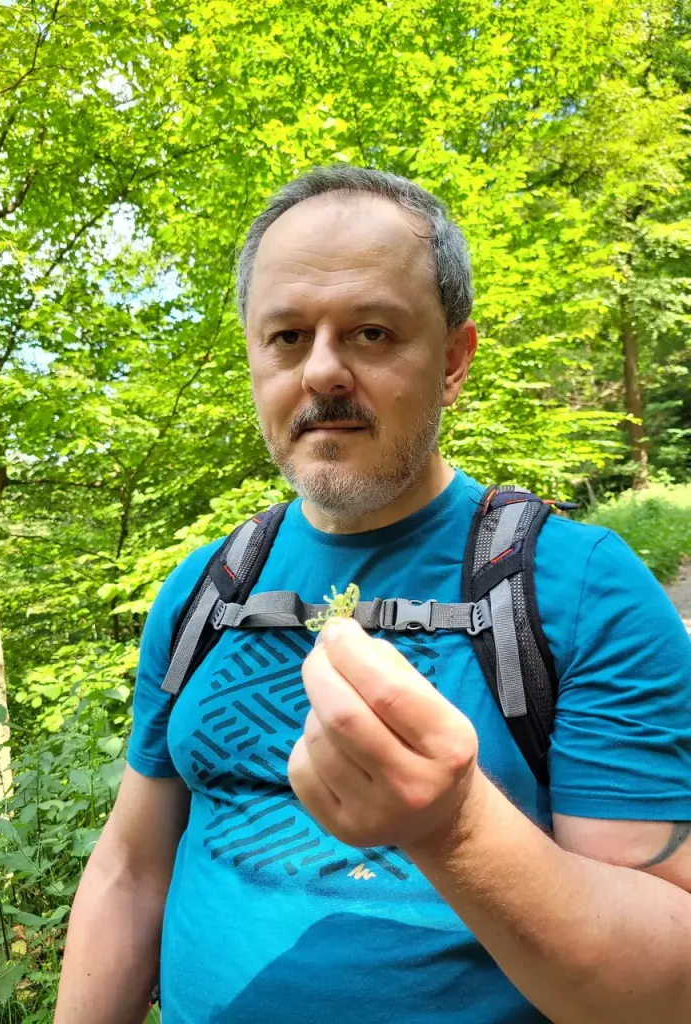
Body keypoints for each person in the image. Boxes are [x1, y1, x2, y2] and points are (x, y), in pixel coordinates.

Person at [55, 166, 691, 1024]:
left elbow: (665, 990)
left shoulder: (577, 588)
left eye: (371, 332)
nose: (322, 372)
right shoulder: (206, 589)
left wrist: (453, 828)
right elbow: (129, 873)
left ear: (454, 361)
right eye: (285, 337)